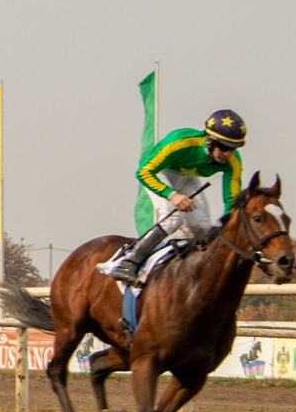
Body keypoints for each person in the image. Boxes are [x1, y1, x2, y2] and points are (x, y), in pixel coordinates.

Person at [101, 109, 246, 285]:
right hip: (159, 172)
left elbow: (232, 200)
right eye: (223, 148)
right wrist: (172, 195)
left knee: (203, 228)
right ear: (209, 140)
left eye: (232, 149)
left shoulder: (233, 162)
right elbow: (144, 172)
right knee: (173, 218)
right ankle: (128, 263)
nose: (228, 154)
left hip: (187, 178)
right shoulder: (181, 143)